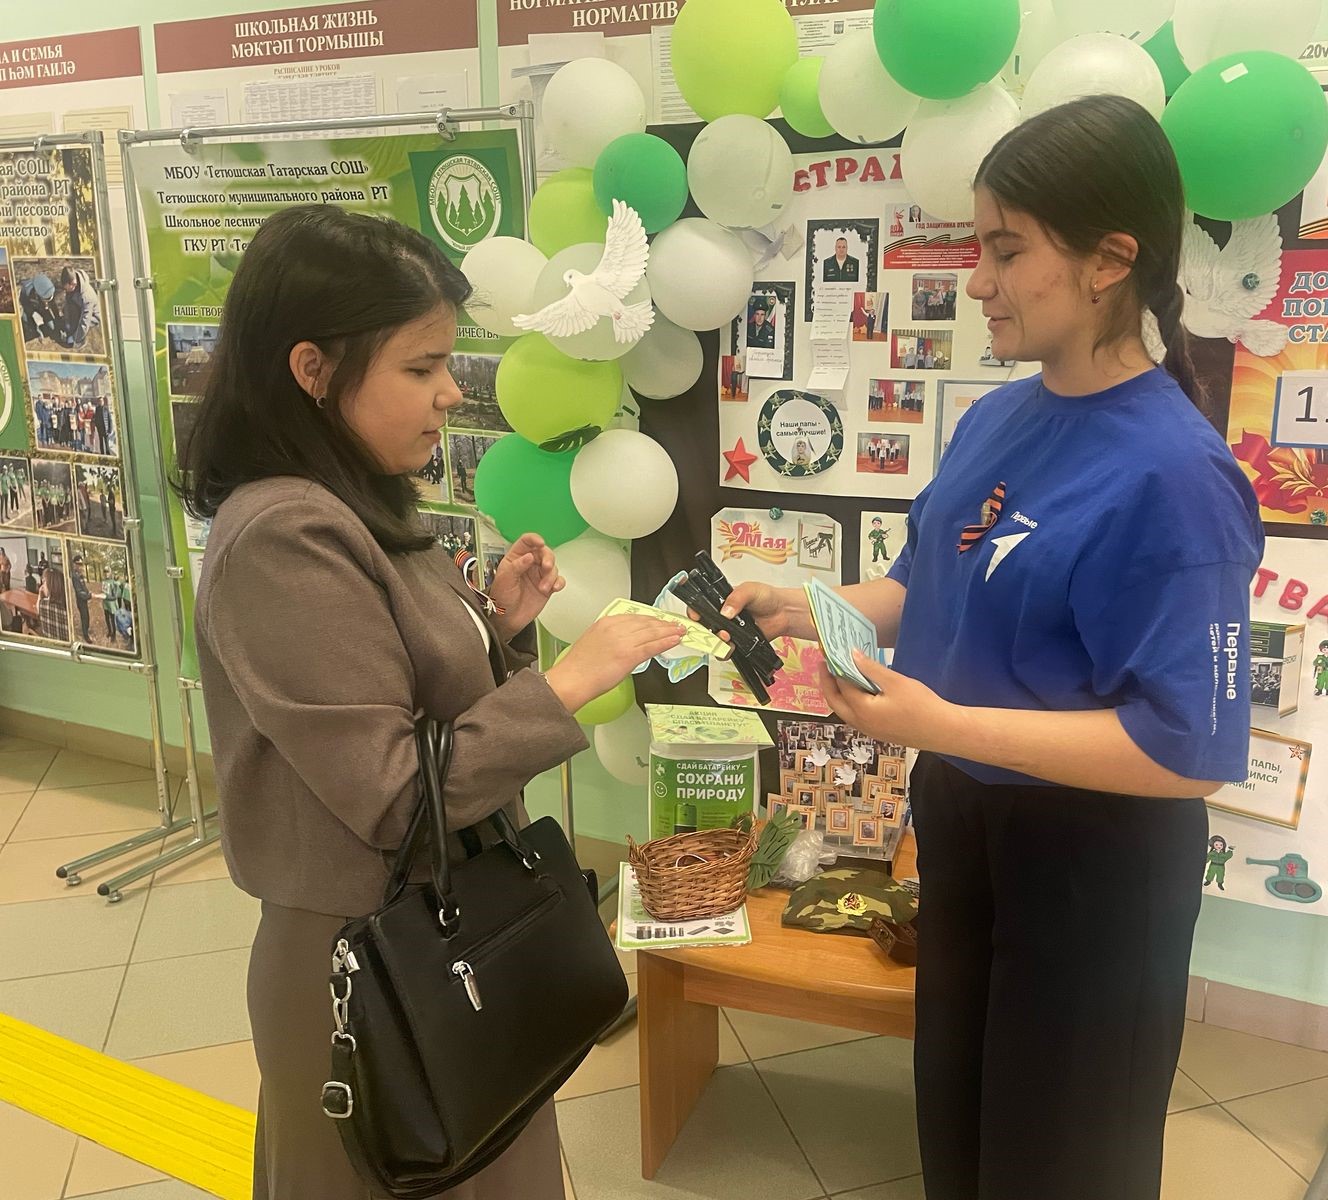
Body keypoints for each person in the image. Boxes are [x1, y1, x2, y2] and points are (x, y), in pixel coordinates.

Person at [711, 96, 1262, 1200]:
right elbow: (926, 581)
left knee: (1062, 1161)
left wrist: (944, 723)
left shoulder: (1176, 477)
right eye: (978, 249)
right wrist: (810, 605)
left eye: (1006, 251)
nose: (976, 282)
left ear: (1109, 262)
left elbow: (1187, 751)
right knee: (958, 1134)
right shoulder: (996, 420)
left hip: (1092, 865)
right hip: (963, 829)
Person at [181, 204, 684, 1200]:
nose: (451, 392)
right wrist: (567, 682)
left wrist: (493, 629)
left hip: (447, 932)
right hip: (370, 962)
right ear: (312, 369)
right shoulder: (284, 533)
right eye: (420, 368)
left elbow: (393, 691)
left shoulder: (357, 498)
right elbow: (393, 791)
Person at [58, 265, 101, 350]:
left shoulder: (87, 297)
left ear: (72, 284)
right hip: (79, 307)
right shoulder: (72, 282)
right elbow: (68, 303)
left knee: (80, 323)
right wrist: (67, 322)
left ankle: (81, 340)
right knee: (66, 310)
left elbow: (85, 320)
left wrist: (75, 338)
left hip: (92, 316)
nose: (66, 291)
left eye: (66, 288)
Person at [19, 272, 57, 343]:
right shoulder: (26, 293)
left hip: (40, 306)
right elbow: (29, 316)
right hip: (28, 306)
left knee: (52, 327)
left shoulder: (49, 291)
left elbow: (54, 308)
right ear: (37, 294)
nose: (47, 305)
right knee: (29, 330)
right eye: (44, 301)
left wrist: (57, 322)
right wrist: (38, 332)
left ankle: (42, 329)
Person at [35, 564, 68, 642]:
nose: (42, 586)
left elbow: (37, 608)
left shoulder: (43, 605)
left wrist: (40, 594)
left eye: (44, 582)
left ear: (50, 585)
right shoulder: (67, 607)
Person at [70, 554, 92, 643]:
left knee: (87, 616)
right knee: (84, 617)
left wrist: (88, 592)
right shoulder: (75, 576)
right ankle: (86, 635)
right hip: (80, 601)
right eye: (78, 564)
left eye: (81, 564)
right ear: (74, 564)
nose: (80, 566)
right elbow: (79, 592)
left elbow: (84, 587)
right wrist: (88, 596)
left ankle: (86, 629)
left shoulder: (80, 575)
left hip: (84, 600)